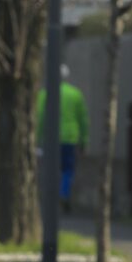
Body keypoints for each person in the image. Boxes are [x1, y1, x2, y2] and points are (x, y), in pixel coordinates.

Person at [34, 64, 88, 213]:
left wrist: (38, 138)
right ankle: (64, 193)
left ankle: (50, 197)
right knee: (67, 170)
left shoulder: (44, 94)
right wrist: (84, 140)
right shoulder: (75, 94)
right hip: (70, 137)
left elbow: (41, 117)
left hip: (50, 138)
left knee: (50, 169)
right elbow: (83, 119)